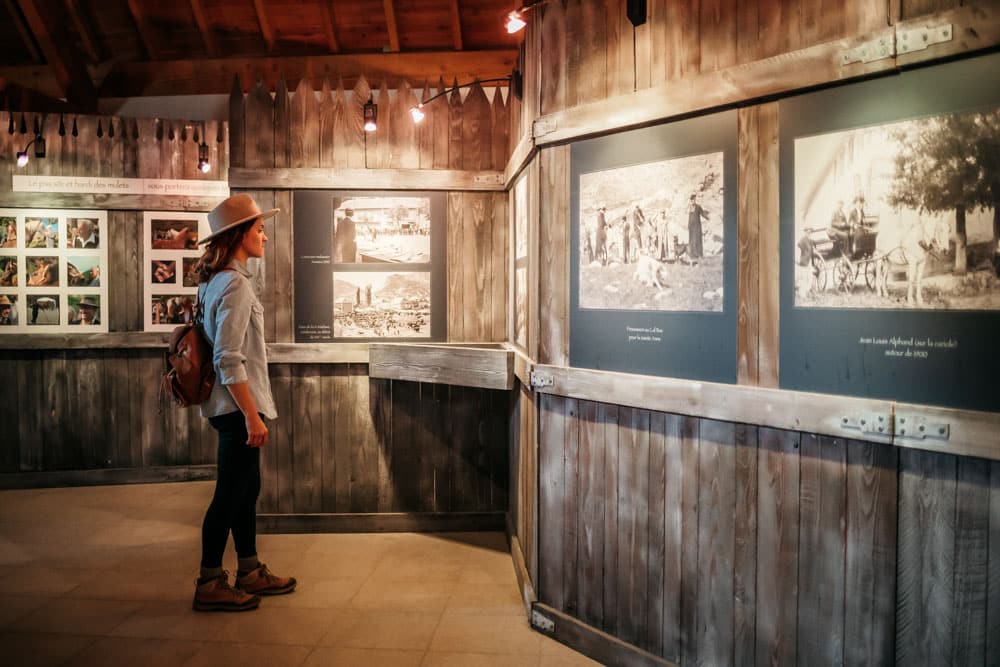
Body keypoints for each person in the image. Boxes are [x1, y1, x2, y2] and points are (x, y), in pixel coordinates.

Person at [190, 193, 295, 612]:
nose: (265, 237)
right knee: (230, 494)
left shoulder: (216, 280)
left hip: (229, 407)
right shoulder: (233, 283)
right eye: (259, 229)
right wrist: (252, 415)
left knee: (246, 490)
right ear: (239, 236)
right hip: (236, 409)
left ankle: (249, 569)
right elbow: (228, 356)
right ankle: (210, 580)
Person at [687, 194, 708, 259]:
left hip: (697, 226)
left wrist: (707, 217)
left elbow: (702, 213)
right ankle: (692, 255)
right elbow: (689, 217)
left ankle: (699, 254)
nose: (693, 201)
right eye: (691, 200)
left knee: (698, 239)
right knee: (691, 240)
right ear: (690, 200)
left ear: (695, 200)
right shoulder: (689, 208)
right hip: (691, 227)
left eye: (694, 199)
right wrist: (688, 225)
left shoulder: (698, 207)